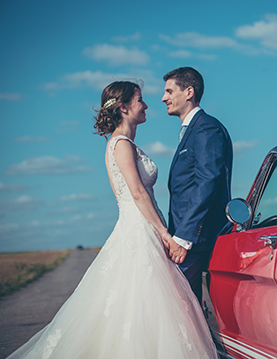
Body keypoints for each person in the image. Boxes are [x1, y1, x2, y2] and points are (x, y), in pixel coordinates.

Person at [7, 81, 218, 359]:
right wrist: (165, 233)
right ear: (124, 107)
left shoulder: (126, 143)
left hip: (144, 227)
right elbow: (138, 193)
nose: (146, 105)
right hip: (139, 229)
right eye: (140, 100)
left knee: (147, 304)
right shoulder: (120, 144)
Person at [162, 67, 233, 303]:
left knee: (180, 306)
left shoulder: (205, 128)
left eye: (169, 91)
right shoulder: (191, 130)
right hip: (187, 237)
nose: (164, 98)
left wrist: (184, 237)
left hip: (195, 241)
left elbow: (207, 181)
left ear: (189, 91)